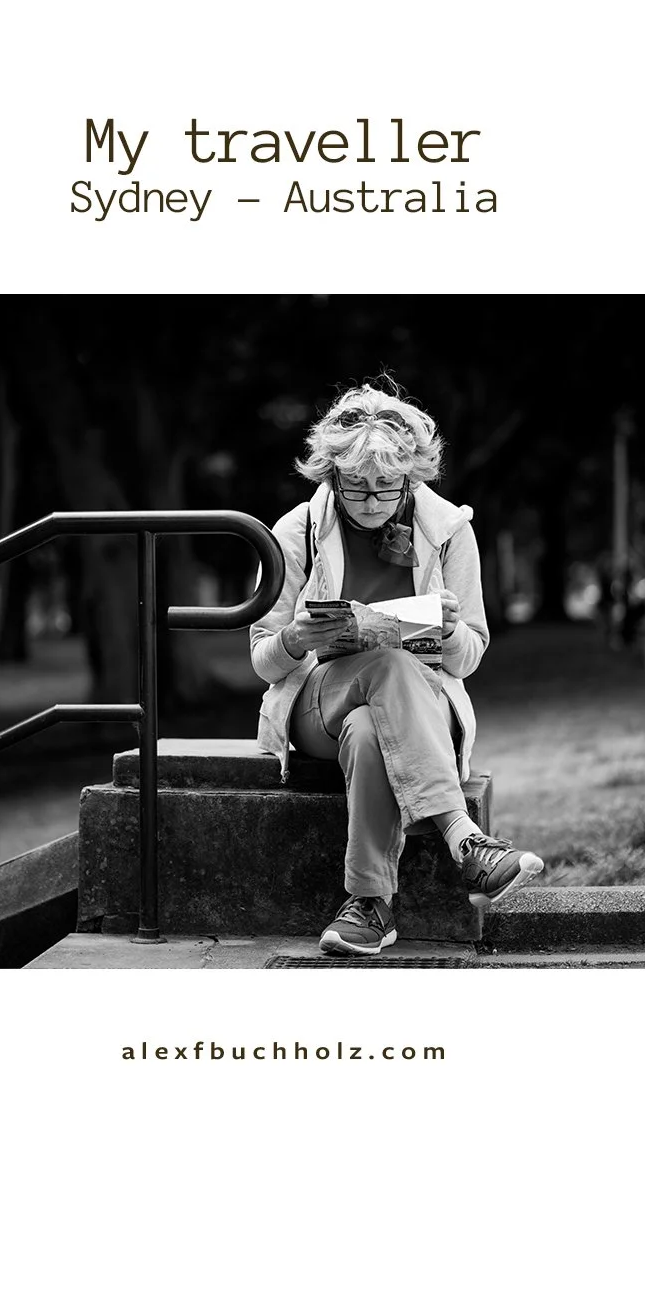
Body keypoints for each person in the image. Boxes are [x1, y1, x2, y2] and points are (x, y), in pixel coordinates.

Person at [250, 377, 543, 956]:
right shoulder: (296, 530)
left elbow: (470, 656)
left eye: (387, 486)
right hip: (317, 706)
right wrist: (295, 637)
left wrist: (449, 629)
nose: (371, 501)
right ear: (331, 474)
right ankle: (465, 841)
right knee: (385, 666)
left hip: (419, 708)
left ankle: (369, 907)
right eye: (355, 487)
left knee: (369, 729)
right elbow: (262, 659)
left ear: (411, 476)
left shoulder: (450, 531)